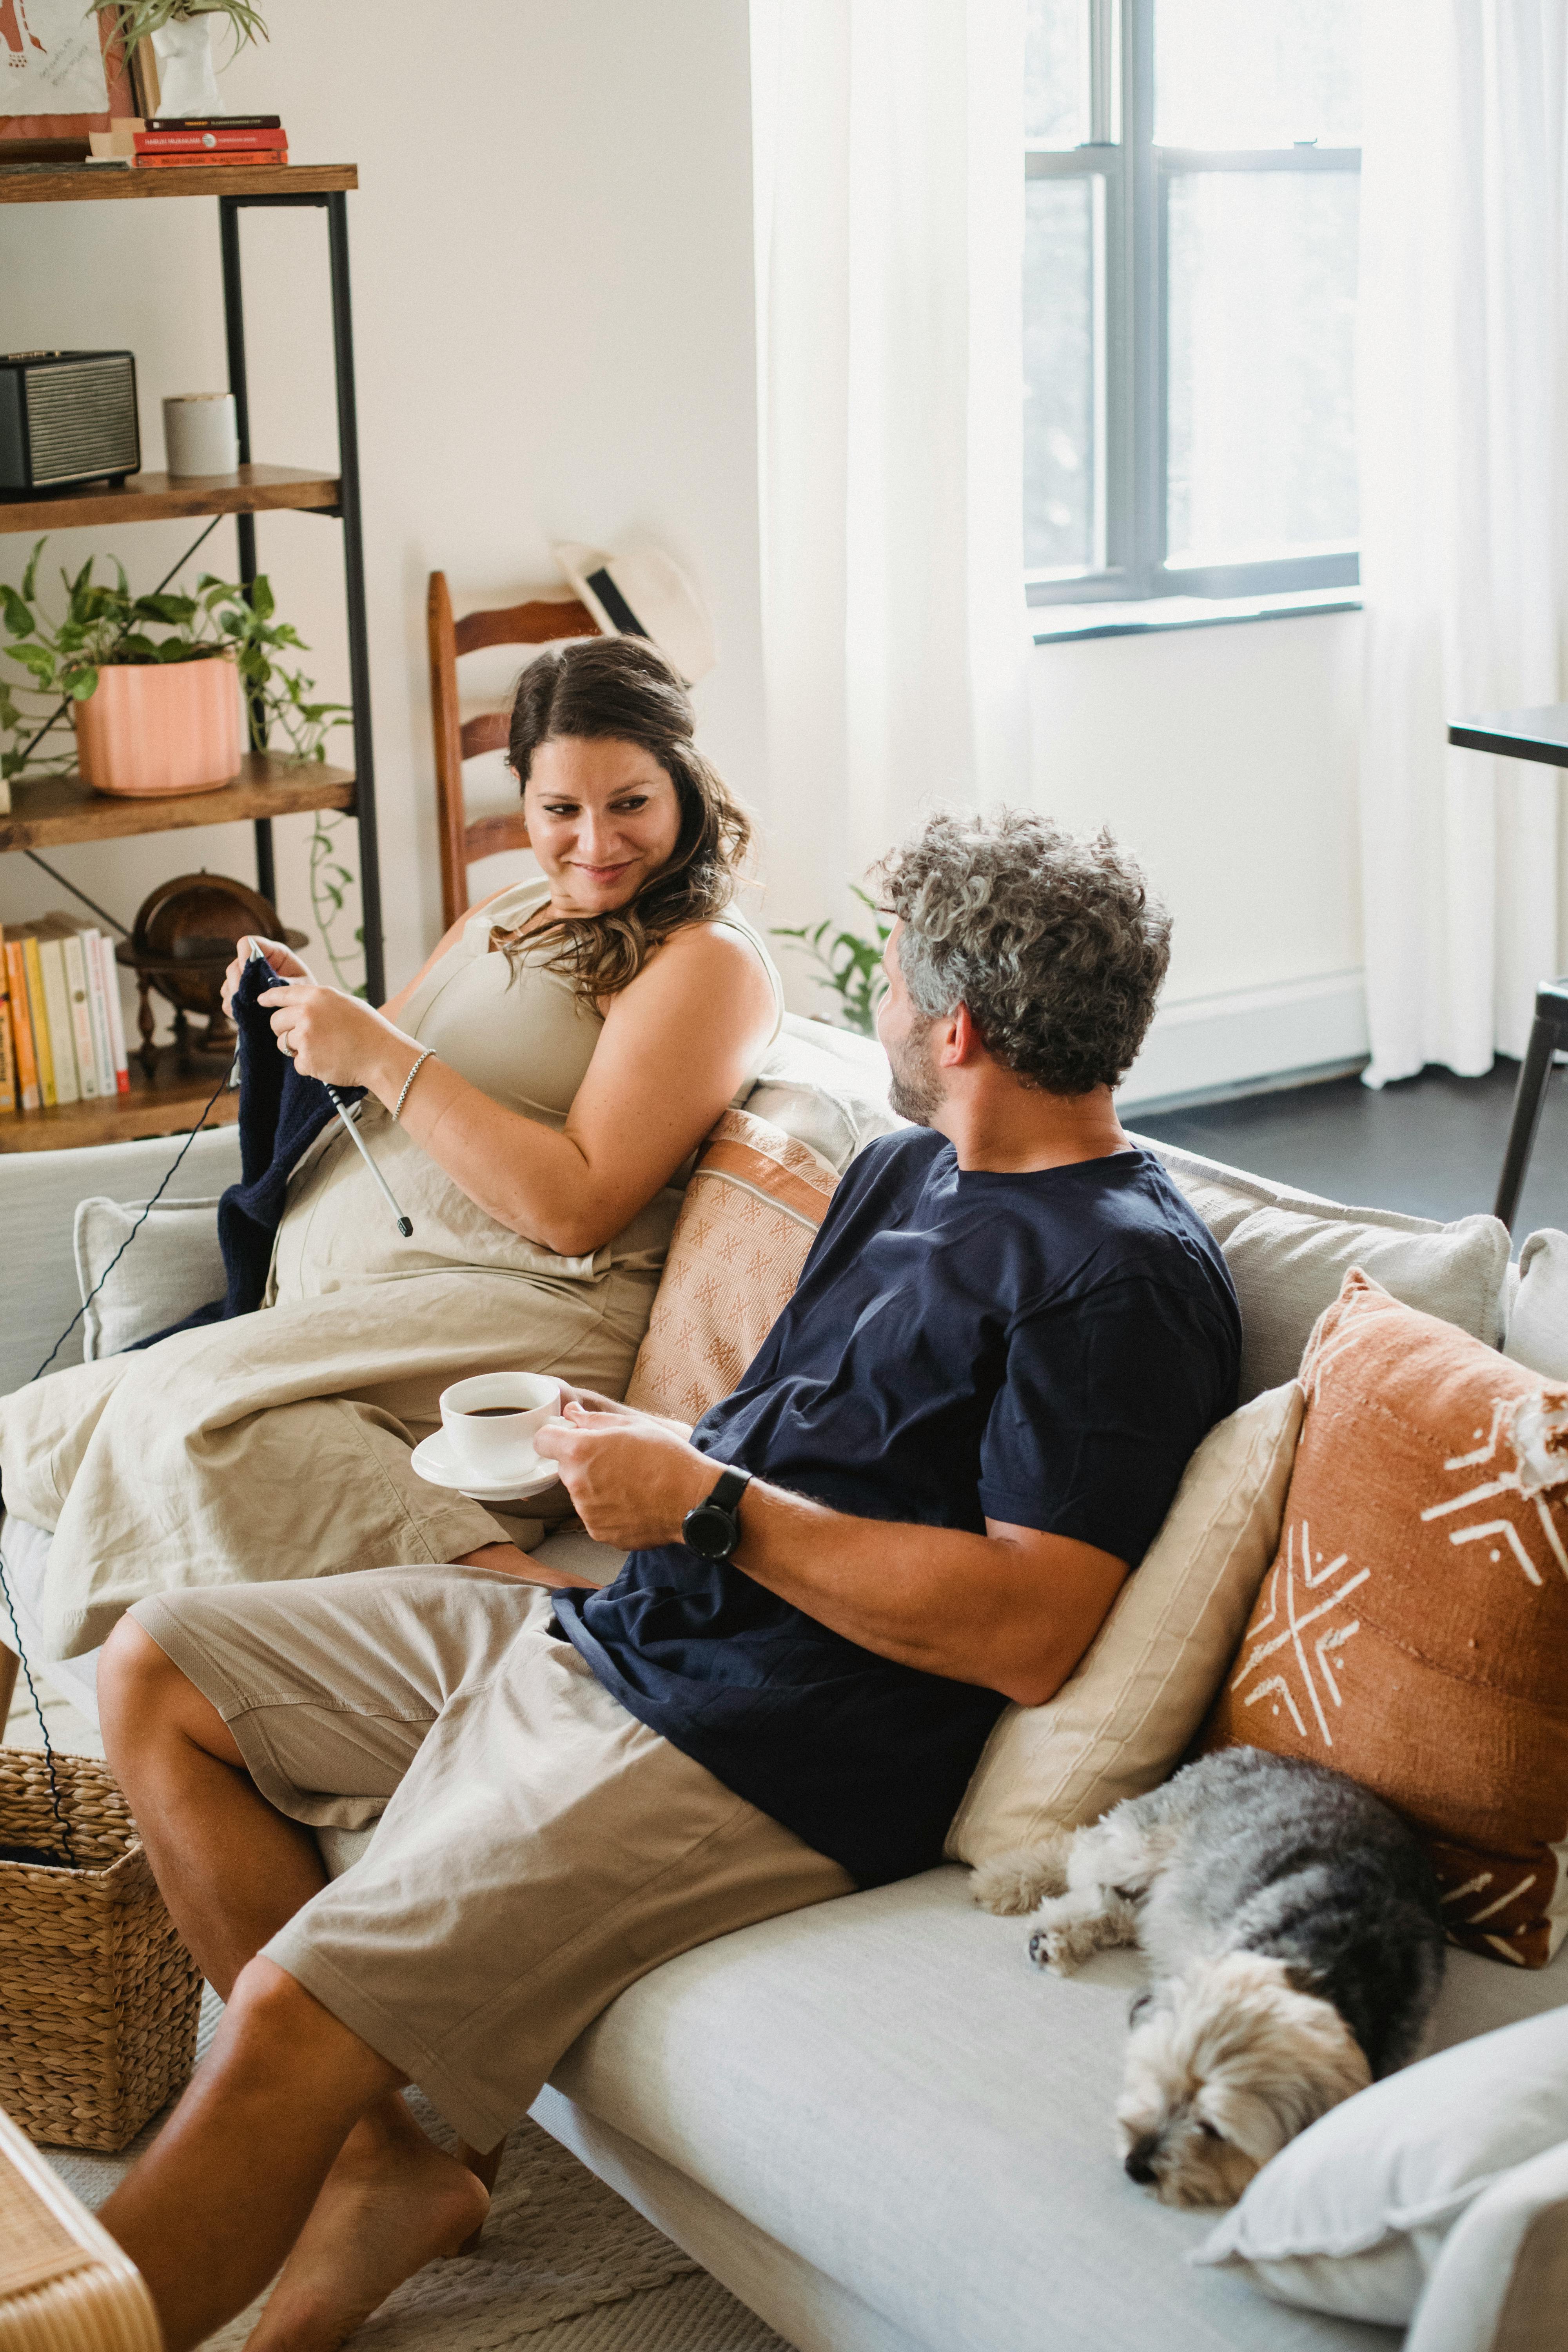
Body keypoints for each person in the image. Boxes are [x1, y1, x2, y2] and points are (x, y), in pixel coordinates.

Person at [93, 808, 1241, 2352]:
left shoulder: (1119, 1275)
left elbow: (1028, 1631)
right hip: (636, 1621)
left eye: (896, 984)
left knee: (297, 2006)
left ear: (956, 1025)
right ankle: (386, 2175)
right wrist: (636, 1454)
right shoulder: (906, 1173)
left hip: (766, 1739)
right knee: (161, 1667)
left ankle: (65, 2321)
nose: (881, 1007)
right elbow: (790, 1446)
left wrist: (710, 1511)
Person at [0, 637, 782, 1659]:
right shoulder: (507, 910)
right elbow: (383, 1072)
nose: (595, 841)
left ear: (682, 783)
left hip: (534, 1301)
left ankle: (538, 1614)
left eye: (630, 803)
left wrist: (376, 1051)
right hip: (374, 1307)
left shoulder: (702, 962)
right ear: (524, 799)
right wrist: (306, 1009)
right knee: (30, 1433)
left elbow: (577, 1203)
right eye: (560, 811)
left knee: (182, 1420)